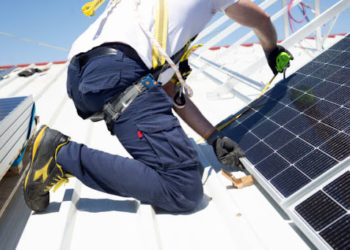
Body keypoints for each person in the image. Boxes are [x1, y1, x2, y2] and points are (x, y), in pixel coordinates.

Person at [23, 0, 292, 213]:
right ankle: (60, 154)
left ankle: (60, 153)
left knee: (190, 163)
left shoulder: (150, 16)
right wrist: (271, 49)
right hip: (119, 73)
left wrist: (213, 138)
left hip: (83, 78)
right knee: (184, 188)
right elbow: (261, 19)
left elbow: (170, 90)